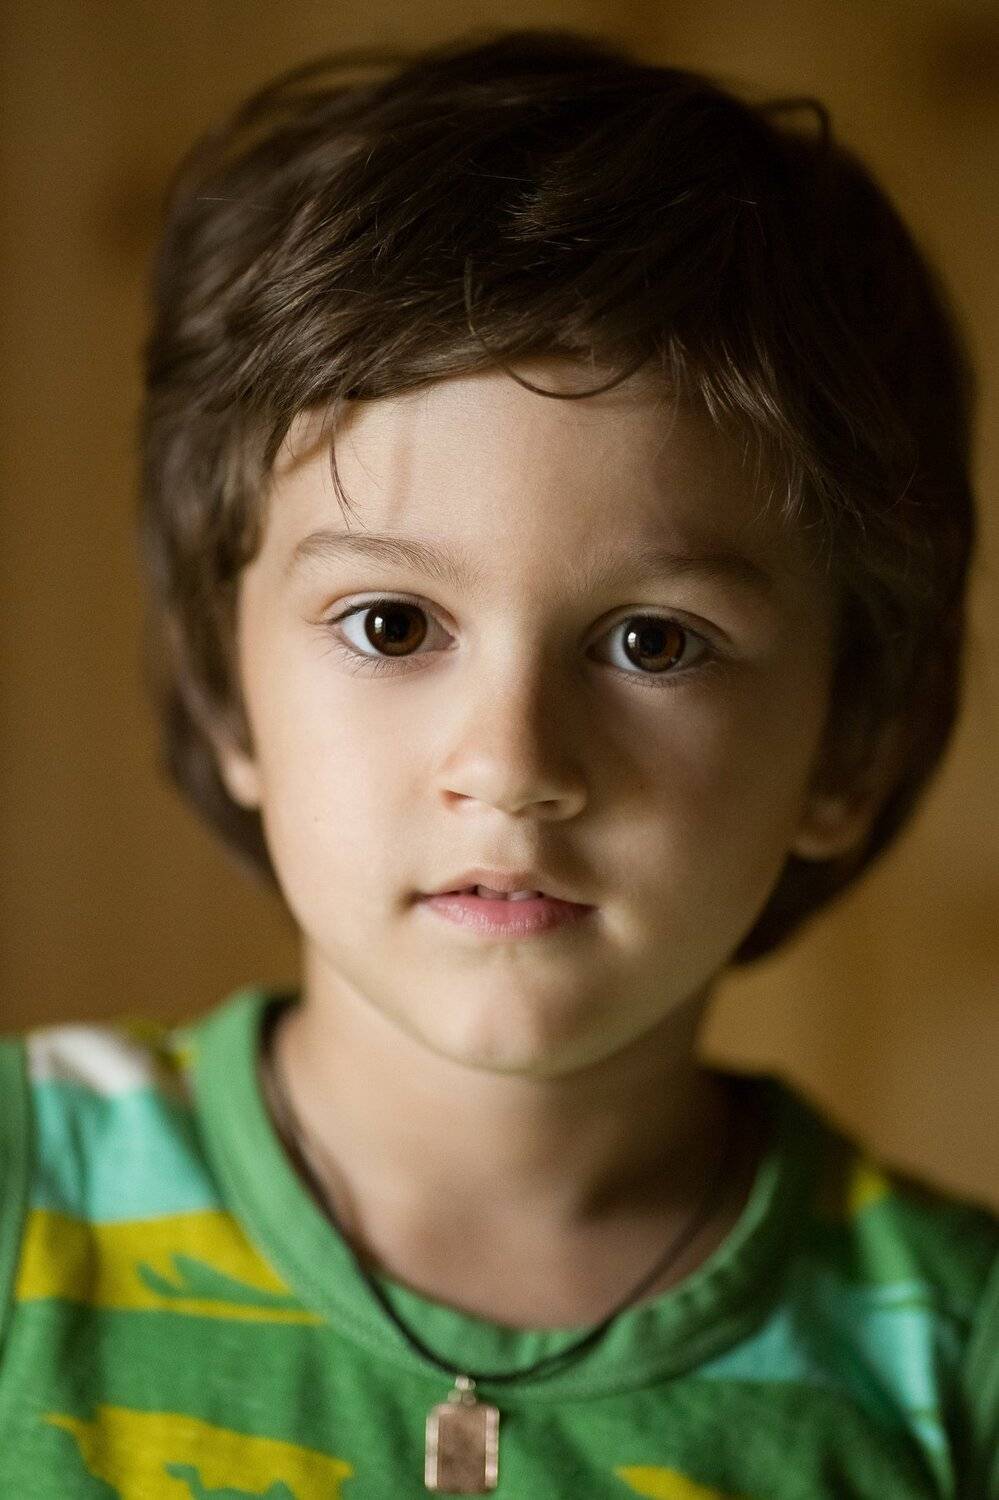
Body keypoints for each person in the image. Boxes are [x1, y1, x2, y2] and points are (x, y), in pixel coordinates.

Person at [0, 26, 995, 1499]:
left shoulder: (955, 1364)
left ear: (848, 743)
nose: (514, 764)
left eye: (654, 642)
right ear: (226, 693)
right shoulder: (25, 1198)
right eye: (392, 623)